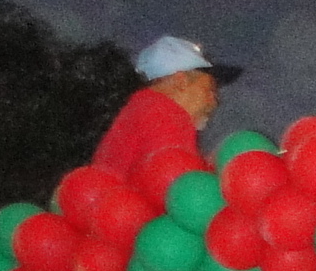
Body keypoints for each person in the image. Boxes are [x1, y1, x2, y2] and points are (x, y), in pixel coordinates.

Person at [94, 35, 243, 182]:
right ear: (181, 81)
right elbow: (179, 190)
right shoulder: (166, 114)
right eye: (210, 89)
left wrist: (209, 165)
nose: (215, 101)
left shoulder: (137, 111)